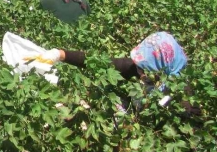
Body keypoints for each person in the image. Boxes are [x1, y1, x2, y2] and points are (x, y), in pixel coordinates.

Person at [31, 32, 198, 113]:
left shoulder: (183, 102)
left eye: (146, 70)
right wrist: (61, 54)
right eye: (140, 68)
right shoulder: (136, 68)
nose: (140, 74)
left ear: (163, 68)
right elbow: (100, 63)